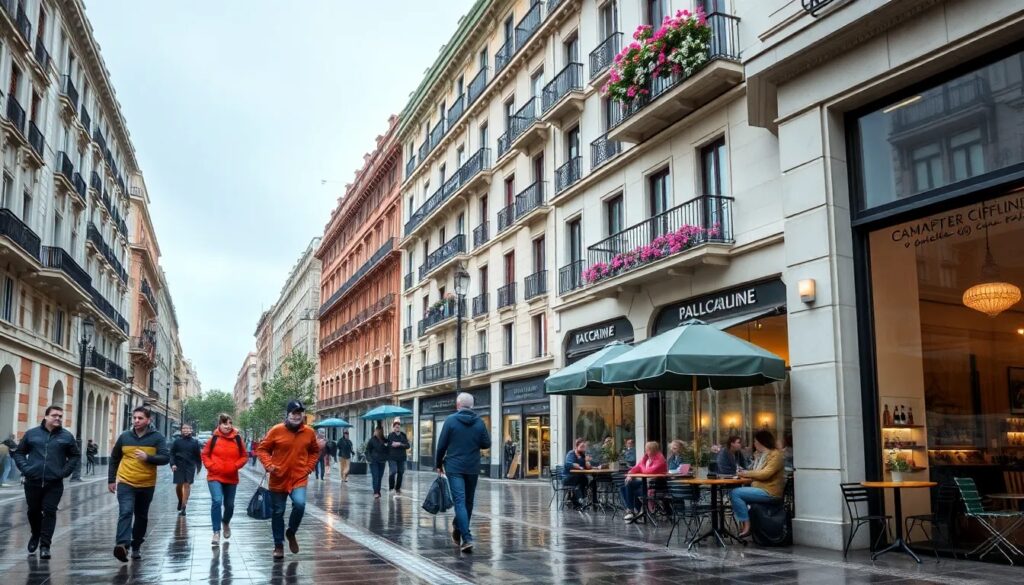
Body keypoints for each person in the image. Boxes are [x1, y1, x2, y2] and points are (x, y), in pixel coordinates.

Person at [255, 400, 320, 560]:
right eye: (294, 413)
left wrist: (308, 467)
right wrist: (269, 464)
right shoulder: (276, 430)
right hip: (278, 478)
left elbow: (315, 451)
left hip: (299, 477)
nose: (297, 416)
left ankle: (291, 532)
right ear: (288, 414)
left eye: (300, 413)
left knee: (300, 504)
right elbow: (262, 449)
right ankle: (278, 545)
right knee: (278, 511)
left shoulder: (309, 432)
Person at [13, 406, 80, 559]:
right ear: (46, 417)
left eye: (60, 416)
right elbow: (19, 453)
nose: (58, 418)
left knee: (50, 511)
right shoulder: (32, 434)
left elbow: (75, 456)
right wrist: (26, 468)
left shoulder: (66, 436)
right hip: (33, 480)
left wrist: (64, 472)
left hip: (54, 483)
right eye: (55, 415)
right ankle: (35, 534)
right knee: (33, 511)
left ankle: (45, 545)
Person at [109, 406, 169, 562]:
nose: (136, 420)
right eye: (134, 418)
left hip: (146, 483)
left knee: (141, 516)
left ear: (148, 420)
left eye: (140, 418)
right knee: (126, 512)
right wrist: (111, 480)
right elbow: (114, 458)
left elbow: (165, 458)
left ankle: (136, 546)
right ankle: (122, 545)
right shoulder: (125, 437)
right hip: (125, 482)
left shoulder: (157, 438)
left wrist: (148, 458)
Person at [435, 392, 491, 553]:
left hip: (454, 467)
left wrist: (438, 464)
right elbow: (486, 443)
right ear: (472, 406)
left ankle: (466, 538)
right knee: (468, 502)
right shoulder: (479, 422)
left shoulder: (450, 421)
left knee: (459, 501)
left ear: (458, 405)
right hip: (472, 467)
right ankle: (460, 530)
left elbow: (441, 446)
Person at [202, 413, 248, 546]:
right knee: (217, 501)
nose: (228, 426)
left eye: (230, 423)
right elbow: (205, 454)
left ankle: (226, 522)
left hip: (231, 476)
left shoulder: (238, 439)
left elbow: (244, 456)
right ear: (219, 425)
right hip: (214, 476)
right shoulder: (214, 438)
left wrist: (235, 466)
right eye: (225, 423)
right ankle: (216, 532)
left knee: (230, 505)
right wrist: (211, 466)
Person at [732, 430, 785, 539]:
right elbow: (755, 472)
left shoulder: (775, 455)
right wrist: (744, 471)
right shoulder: (760, 456)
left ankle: (747, 526)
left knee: (736, 493)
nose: (754, 444)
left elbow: (765, 474)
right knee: (735, 492)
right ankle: (748, 523)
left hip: (770, 492)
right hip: (760, 489)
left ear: (762, 442)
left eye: (755, 441)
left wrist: (746, 473)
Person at [620, 441, 667, 523]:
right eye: (646, 449)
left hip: (655, 485)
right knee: (625, 486)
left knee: (630, 490)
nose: (646, 451)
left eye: (648, 449)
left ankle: (633, 511)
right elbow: (635, 468)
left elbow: (650, 471)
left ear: (654, 450)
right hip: (646, 483)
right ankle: (632, 510)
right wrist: (630, 474)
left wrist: (641, 466)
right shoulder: (646, 458)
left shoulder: (660, 458)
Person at [170, 424, 202, 516]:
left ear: (191, 430)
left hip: (190, 466)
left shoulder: (195, 442)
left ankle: (184, 507)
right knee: (179, 485)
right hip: (178, 465)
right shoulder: (177, 441)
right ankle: (180, 500)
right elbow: (172, 453)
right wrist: (172, 464)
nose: (186, 430)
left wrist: (199, 466)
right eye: (184, 428)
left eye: (188, 428)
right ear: (181, 430)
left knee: (187, 485)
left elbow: (197, 455)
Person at [562, 438, 591, 508]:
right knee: (581, 478)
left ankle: (578, 499)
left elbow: (588, 467)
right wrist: (578, 466)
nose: (583, 448)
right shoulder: (571, 454)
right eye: (581, 447)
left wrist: (587, 461)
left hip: (578, 477)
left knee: (585, 479)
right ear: (576, 446)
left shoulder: (583, 455)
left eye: (584, 447)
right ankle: (579, 499)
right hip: (568, 477)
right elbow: (567, 464)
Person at [386, 419, 410, 495]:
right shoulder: (390, 435)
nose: (397, 428)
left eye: (398, 427)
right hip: (392, 457)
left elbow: (407, 445)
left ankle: (398, 488)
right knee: (393, 471)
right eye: (396, 427)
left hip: (401, 457)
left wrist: (400, 444)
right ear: (393, 428)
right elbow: (388, 445)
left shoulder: (403, 435)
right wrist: (392, 444)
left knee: (401, 472)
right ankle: (391, 487)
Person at [365, 425, 389, 499]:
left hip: (382, 461)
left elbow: (387, 450)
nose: (376, 432)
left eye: (378, 431)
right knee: (375, 476)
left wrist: (386, 445)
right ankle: (375, 492)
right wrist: (369, 459)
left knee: (380, 477)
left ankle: (378, 491)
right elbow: (367, 450)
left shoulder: (385, 440)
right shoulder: (372, 440)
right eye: (376, 430)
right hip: (374, 461)